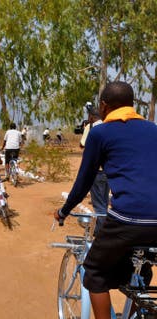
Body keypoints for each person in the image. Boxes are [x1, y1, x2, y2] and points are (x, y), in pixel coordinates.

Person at [54, 81, 157, 319]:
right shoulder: (153, 129)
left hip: (127, 219)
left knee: (94, 272)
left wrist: (64, 210)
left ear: (103, 106)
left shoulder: (100, 132)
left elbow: (84, 181)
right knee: (143, 268)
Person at [80, 102, 110, 235]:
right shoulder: (109, 127)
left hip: (96, 172)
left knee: (98, 205)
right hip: (108, 172)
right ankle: (102, 229)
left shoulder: (91, 128)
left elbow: (82, 144)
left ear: (91, 117)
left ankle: (100, 233)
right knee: (103, 202)